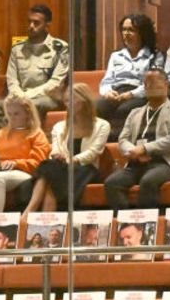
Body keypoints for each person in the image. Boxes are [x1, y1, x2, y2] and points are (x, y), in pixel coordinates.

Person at [105, 68, 170, 210]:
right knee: (111, 182)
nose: (150, 87)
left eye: (154, 83)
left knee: (148, 181)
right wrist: (134, 152)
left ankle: (147, 226)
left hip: (164, 163)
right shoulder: (135, 112)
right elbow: (123, 139)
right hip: (136, 163)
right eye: (146, 84)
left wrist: (144, 149)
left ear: (166, 84)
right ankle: (125, 221)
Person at [22, 84, 110, 217]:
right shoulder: (59, 126)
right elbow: (55, 149)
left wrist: (72, 160)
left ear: (84, 100)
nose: (69, 104)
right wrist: (58, 156)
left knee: (50, 172)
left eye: (73, 100)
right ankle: (44, 216)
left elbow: (93, 152)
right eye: (67, 101)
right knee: (50, 166)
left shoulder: (102, 125)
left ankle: (31, 212)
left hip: (85, 168)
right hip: (62, 168)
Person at [0, 4, 69, 127]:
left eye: (36, 23)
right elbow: (12, 79)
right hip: (19, 95)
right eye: (29, 22)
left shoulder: (60, 48)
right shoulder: (17, 49)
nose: (31, 26)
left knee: (36, 105)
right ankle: (8, 140)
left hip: (46, 98)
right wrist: (19, 96)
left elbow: (55, 83)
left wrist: (26, 97)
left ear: (47, 25)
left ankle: (28, 140)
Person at [96, 14, 165, 136]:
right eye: (124, 29)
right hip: (116, 92)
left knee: (124, 110)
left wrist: (130, 94)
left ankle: (117, 143)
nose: (126, 33)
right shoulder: (116, 56)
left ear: (142, 33)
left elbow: (153, 85)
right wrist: (107, 93)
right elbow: (107, 81)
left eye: (131, 30)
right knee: (95, 107)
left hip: (139, 94)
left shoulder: (155, 56)